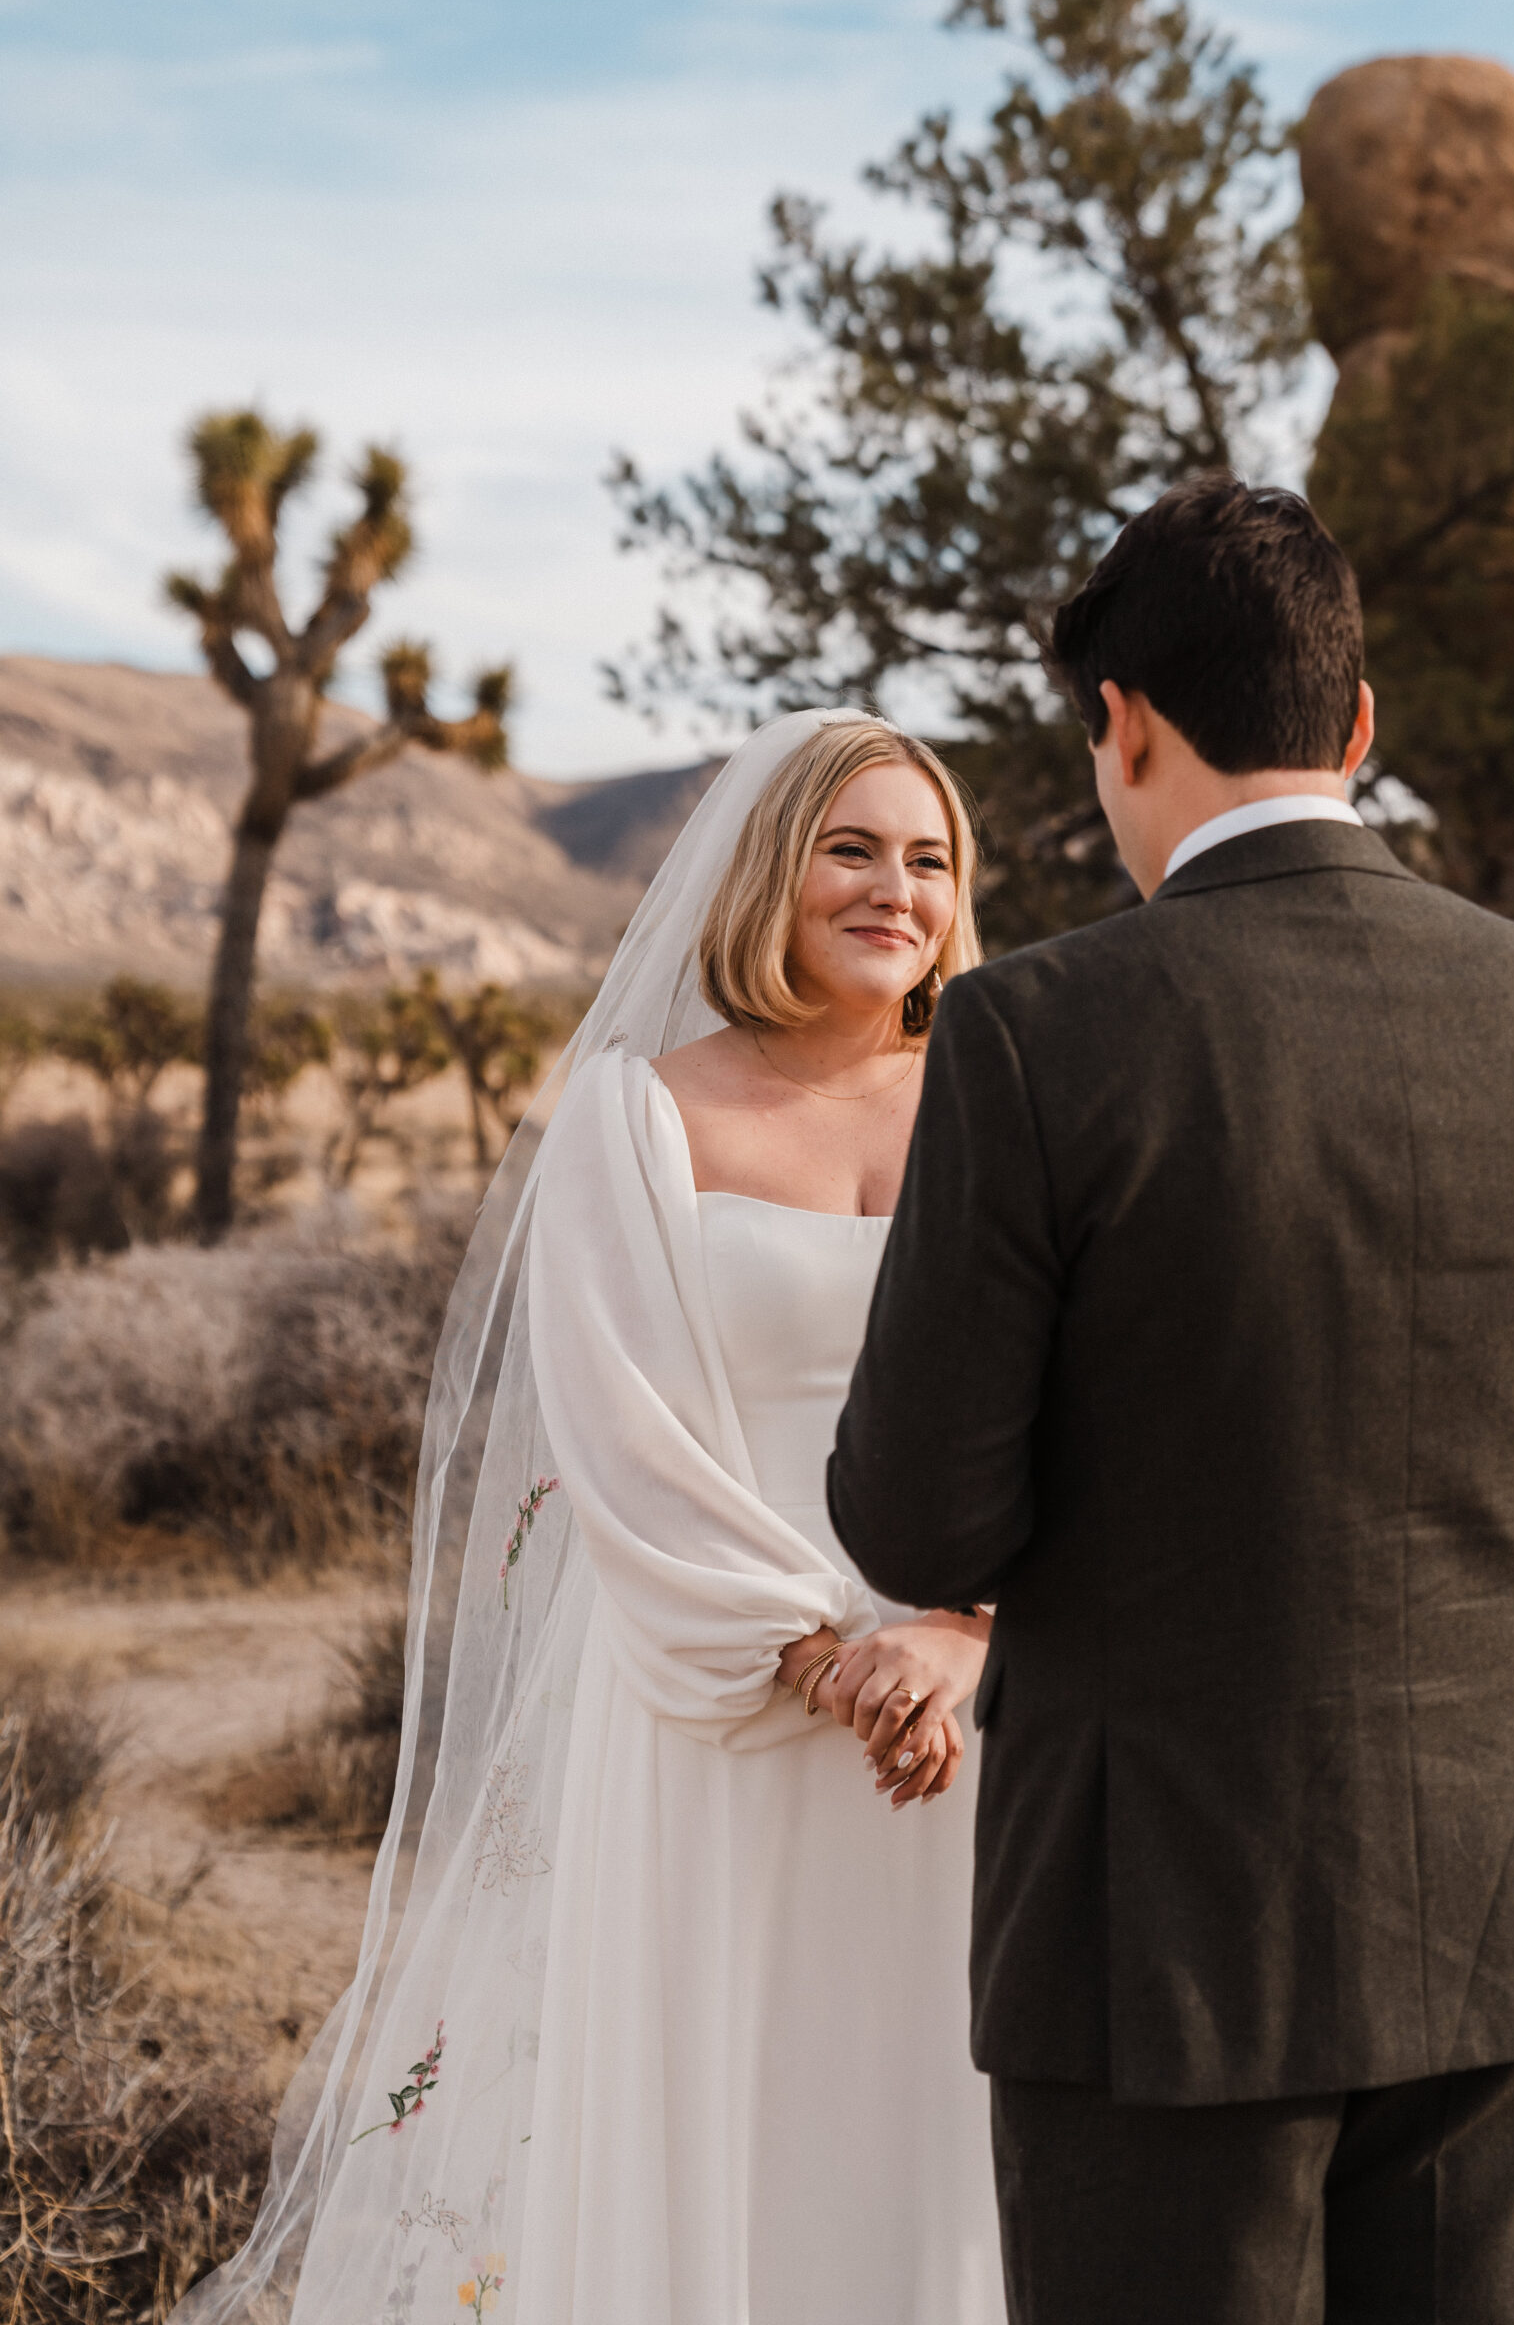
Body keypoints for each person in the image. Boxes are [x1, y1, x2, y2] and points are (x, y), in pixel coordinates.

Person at [828, 473, 1514, 2325]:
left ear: (1122, 726)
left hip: (1162, 1924)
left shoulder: (1035, 1033)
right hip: (1498, 1894)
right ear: (1359, 726)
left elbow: (919, 1521)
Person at [173, 712, 1005, 2325]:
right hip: (722, 1690)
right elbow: (620, 1426)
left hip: (959, 1709)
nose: (894, 888)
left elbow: (1078, 1401)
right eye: (850, 847)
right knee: (721, 2108)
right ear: (770, 869)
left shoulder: (1004, 1102)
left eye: (929, 858)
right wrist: (827, 1650)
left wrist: (962, 1637)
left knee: (936, 2123)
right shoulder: (634, 1113)